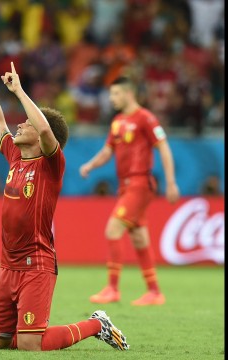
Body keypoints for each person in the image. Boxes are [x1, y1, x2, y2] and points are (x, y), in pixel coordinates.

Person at [0, 40, 129, 352]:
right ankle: (31, 332)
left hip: (36, 265)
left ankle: (97, 324)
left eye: (26, 122)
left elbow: (45, 131)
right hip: (7, 265)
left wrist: (19, 91)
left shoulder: (50, 164)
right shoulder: (16, 157)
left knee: (30, 344)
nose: (20, 123)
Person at [79, 76, 180, 306]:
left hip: (140, 183)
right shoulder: (117, 122)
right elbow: (107, 151)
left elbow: (163, 147)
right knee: (138, 236)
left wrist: (171, 182)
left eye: (115, 94)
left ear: (129, 93)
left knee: (113, 228)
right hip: (125, 186)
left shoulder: (146, 118)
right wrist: (90, 165)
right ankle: (154, 292)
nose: (111, 98)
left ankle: (112, 288)